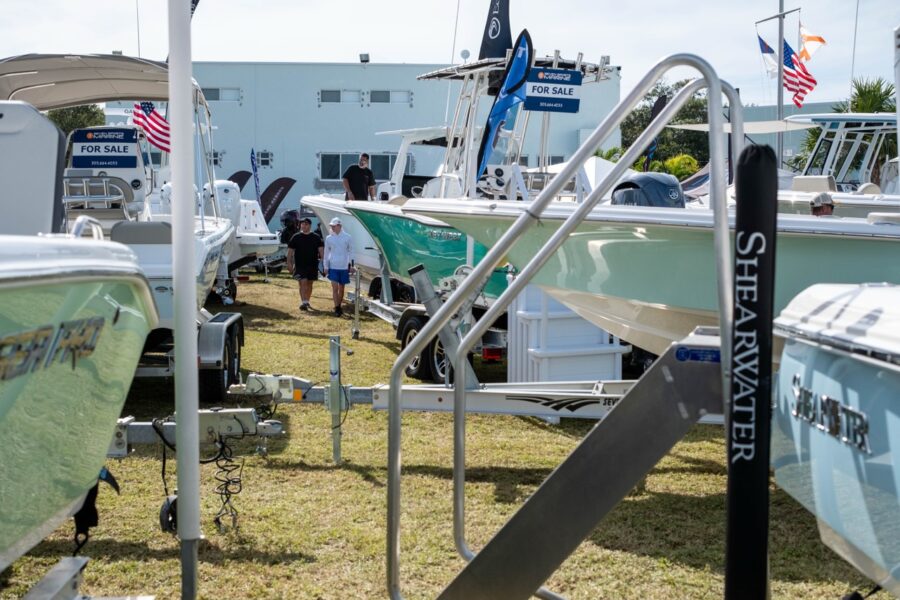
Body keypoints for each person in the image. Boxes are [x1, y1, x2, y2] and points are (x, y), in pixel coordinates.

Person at [286, 217, 323, 311]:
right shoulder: (296, 237)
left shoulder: (316, 237)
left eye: (306, 224)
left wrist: (324, 263)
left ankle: (307, 301)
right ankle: (304, 302)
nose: (303, 225)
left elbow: (321, 252)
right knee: (302, 283)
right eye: (302, 224)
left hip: (312, 265)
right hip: (299, 265)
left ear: (310, 225)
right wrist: (289, 263)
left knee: (309, 284)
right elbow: (290, 251)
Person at [322, 217, 354, 316]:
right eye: (331, 226)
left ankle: (338, 306)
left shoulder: (348, 237)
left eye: (333, 226)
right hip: (333, 266)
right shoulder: (329, 238)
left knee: (342, 289)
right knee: (335, 288)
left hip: (344, 267)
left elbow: (351, 252)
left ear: (339, 226)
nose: (332, 227)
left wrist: (352, 265)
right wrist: (326, 266)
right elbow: (326, 253)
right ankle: (337, 307)